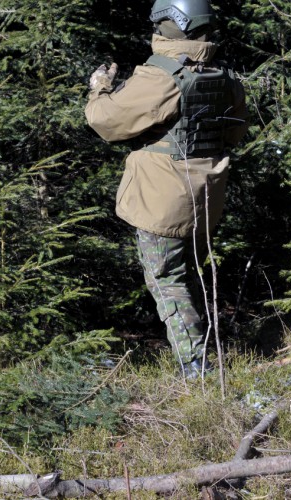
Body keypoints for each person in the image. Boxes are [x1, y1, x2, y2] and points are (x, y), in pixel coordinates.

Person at [85, 0, 250, 379]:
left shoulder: (160, 76)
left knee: (167, 281)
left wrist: (100, 89)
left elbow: (107, 122)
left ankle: (197, 367)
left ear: (168, 24)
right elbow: (235, 131)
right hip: (207, 193)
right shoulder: (224, 76)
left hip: (163, 198)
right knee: (189, 273)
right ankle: (209, 349)